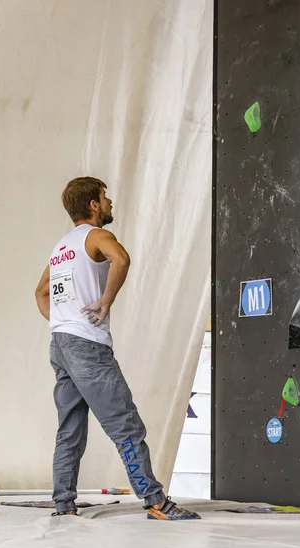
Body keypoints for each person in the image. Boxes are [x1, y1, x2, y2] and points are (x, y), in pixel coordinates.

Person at [35, 176, 200, 521]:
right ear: (93, 205)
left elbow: (40, 293)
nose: (109, 203)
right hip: (86, 347)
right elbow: (121, 259)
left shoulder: (60, 247)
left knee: (70, 431)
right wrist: (105, 302)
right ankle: (155, 501)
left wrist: (61, 322)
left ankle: (63, 506)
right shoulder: (97, 236)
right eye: (104, 198)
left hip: (61, 345)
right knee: (125, 424)